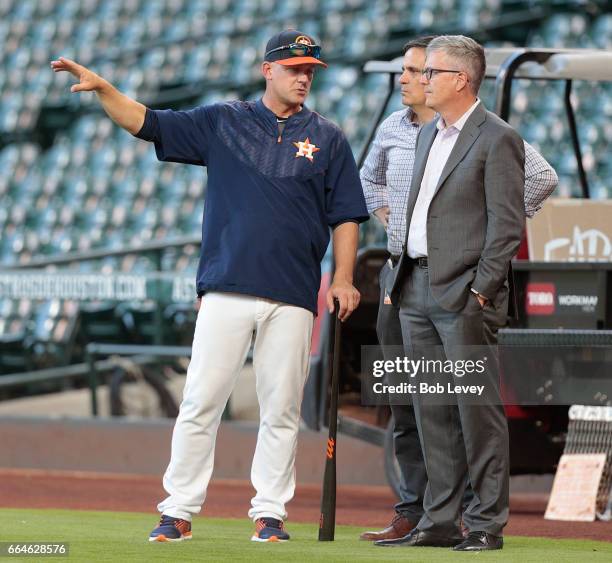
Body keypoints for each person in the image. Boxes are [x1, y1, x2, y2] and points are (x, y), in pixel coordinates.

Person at [51, 29, 369, 543]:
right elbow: (148, 123)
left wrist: (347, 277)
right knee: (201, 402)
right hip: (227, 286)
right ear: (268, 70)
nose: (304, 76)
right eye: (295, 68)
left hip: (293, 292)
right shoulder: (225, 121)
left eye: (310, 69)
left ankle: (271, 514)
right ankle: (177, 509)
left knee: (282, 410)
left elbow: (348, 216)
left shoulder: (328, 137)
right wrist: (106, 90)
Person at [359, 36, 558, 543]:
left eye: (431, 73)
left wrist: (483, 292)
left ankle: (487, 524)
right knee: (432, 412)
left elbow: (507, 226)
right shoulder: (429, 135)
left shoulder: (497, 137)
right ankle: (441, 521)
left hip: (464, 296)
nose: (422, 80)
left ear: (460, 80)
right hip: (415, 286)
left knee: (476, 412)